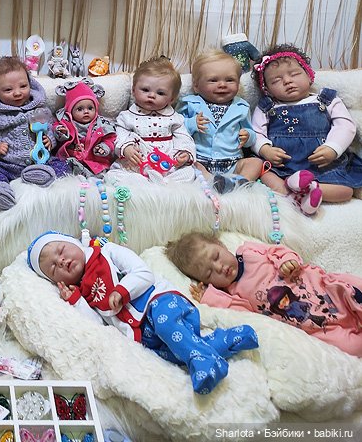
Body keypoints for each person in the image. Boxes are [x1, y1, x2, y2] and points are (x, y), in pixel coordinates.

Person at [28, 231, 259, 394]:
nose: (62, 261)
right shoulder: (83, 293)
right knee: (170, 354)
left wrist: (123, 290)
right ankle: (227, 340)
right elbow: (97, 327)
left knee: (166, 325)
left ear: (73, 242)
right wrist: (76, 301)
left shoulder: (106, 252)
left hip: (160, 302)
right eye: (54, 268)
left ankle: (204, 362)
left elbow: (143, 273)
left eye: (61, 250)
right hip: (141, 332)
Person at [167, 231, 362, 357]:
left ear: (221, 244)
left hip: (323, 290)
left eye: (216, 256)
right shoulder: (231, 292)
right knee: (352, 348)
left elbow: (278, 251)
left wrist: (287, 261)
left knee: (351, 288)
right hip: (314, 326)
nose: (219, 267)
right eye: (209, 273)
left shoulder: (248, 251)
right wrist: (211, 297)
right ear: (206, 282)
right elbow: (243, 313)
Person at [250, 43, 362, 215]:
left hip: (322, 165)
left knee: (345, 192)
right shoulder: (267, 107)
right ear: (268, 90)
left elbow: (345, 125)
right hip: (283, 166)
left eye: (294, 74)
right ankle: (293, 192)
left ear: (309, 76)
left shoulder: (325, 100)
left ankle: (309, 189)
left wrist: (333, 148)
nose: (287, 81)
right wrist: (265, 149)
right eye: (276, 80)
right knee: (264, 173)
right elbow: (256, 132)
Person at [0, 56, 70, 210]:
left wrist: (50, 140)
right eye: (8, 90)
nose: (17, 93)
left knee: (63, 164)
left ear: (30, 84)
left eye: (23, 86)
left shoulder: (40, 109)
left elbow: (51, 127)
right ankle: (0, 190)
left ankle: (40, 175)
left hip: (38, 162)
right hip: (4, 164)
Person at [178, 50, 264, 192]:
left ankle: (239, 182)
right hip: (201, 159)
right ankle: (212, 181)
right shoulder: (190, 103)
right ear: (196, 86)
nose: (222, 84)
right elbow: (176, 128)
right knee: (188, 165)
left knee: (255, 163)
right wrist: (191, 124)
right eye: (213, 80)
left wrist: (247, 136)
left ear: (238, 84)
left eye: (230, 80)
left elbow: (251, 133)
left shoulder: (241, 107)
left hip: (232, 161)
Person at [115, 56, 197, 181]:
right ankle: (144, 183)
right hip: (137, 163)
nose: (152, 95)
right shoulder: (126, 117)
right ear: (133, 90)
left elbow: (184, 137)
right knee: (115, 175)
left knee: (189, 173)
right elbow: (120, 135)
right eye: (145, 90)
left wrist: (184, 153)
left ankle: (165, 184)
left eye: (160, 93)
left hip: (167, 164)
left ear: (171, 99)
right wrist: (126, 148)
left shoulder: (175, 118)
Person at [53, 78, 117, 177]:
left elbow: (111, 139)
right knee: (63, 166)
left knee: (102, 173)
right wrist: (61, 132)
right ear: (70, 111)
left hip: (94, 161)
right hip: (71, 158)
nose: (86, 111)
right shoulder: (65, 122)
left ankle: (91, 176)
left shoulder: (102, 124)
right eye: (80, 109)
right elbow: (55, 128)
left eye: (90, 108)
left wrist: (104, 147)